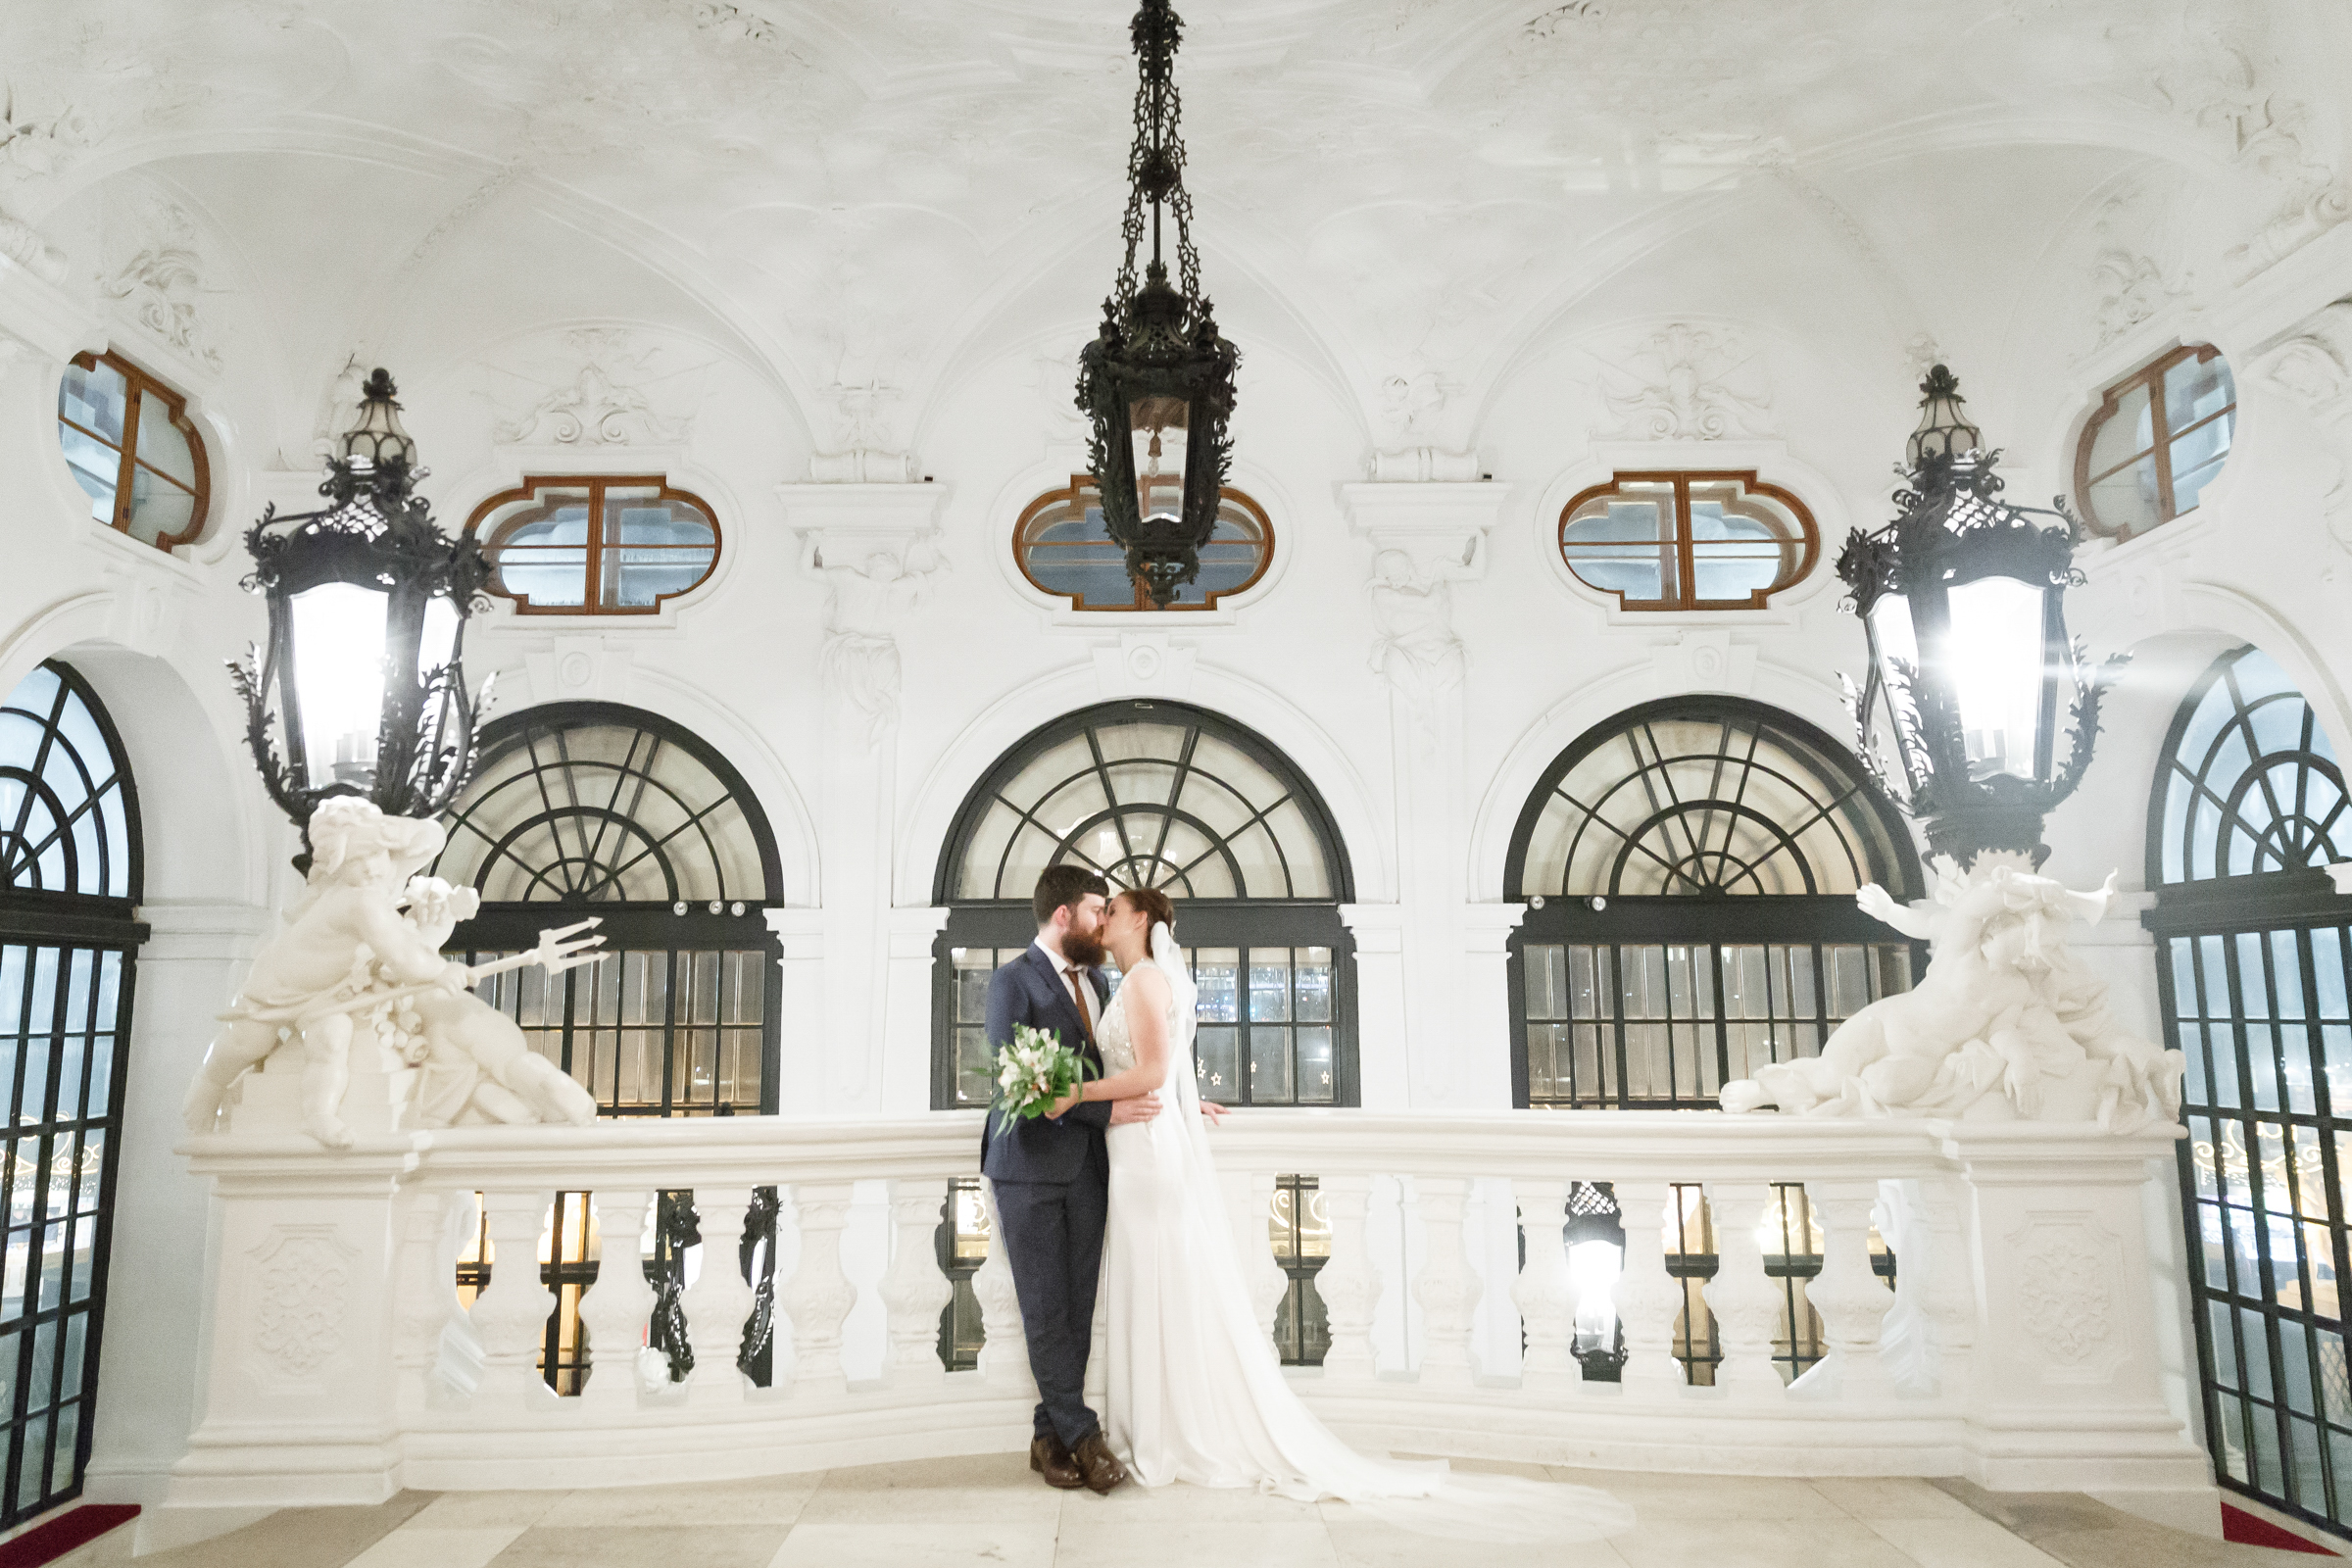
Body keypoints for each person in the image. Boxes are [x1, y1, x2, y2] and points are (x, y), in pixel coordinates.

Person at [1055, 886, 1637, 1541]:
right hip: (1141, 1146)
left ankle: (1160, 1435)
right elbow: (1169, 1074)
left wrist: (1073, 1091)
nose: (1101, 920)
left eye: (1113, 910)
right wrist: (1191, 1104)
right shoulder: (1137, 979)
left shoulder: (1141, 983)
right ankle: (1154, 1429)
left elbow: (1155, 1070)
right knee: (1153, 1285)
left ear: (1139, 919)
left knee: (1155, 1283)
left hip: (1145, 1152)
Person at [979, 865, 1161, 1495]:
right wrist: (1104, 1109)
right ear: (1064, 916)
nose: (1101, 920)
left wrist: (1188, 1099)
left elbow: (1129, 1056)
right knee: (1044, 1309)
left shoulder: (1103, 980)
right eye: (1094, 910)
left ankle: (1046, 1436)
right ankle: (1083, 1438)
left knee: (1077, 1310)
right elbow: (1016, 1081)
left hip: (1089, 1167)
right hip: (1027, 1166)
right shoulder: (1012, 981)